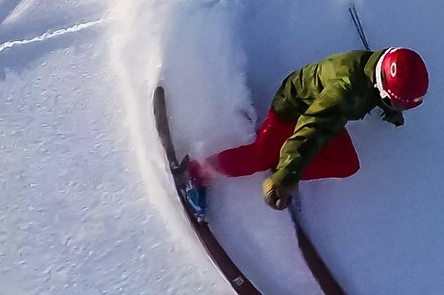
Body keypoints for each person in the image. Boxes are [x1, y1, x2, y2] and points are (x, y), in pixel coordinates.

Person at [182, 48, 429, 219]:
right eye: (401, 103)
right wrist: (286, 178)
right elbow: (311, 128)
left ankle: (285, 166)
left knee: (346, 164)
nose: (403, 108)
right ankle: (196, 173)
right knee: (260, 156)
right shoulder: (343, 93)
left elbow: (387, 82)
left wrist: (390, 106)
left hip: (328, 114)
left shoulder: (380, 67)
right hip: (294, 108)